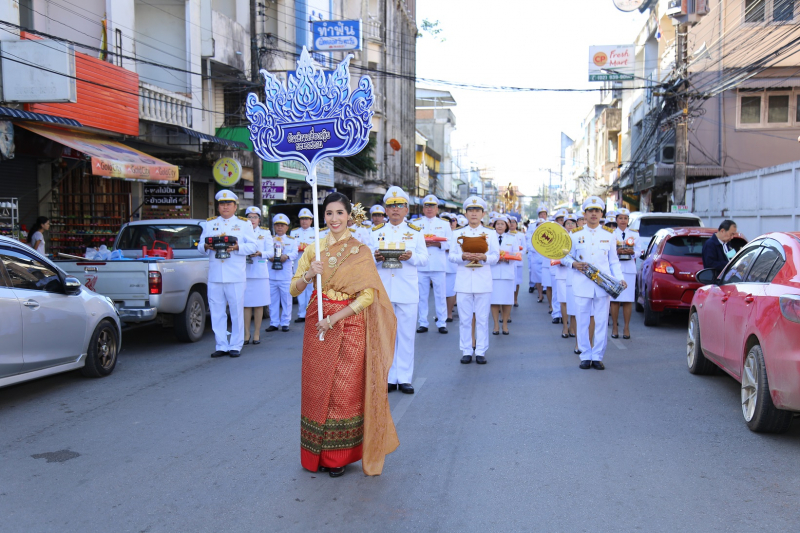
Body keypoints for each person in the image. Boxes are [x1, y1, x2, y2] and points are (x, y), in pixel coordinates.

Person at [290, 192, 398, 478]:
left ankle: (337, 456)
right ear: (322, 216)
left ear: (349, 215)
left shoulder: (360, 251)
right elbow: (293, 289)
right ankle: (315, 454)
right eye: (329, 213)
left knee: (342, 389)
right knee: (316, 387)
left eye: (339, 213)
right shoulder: (314, 249)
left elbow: (367, 297)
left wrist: (335, 318)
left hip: (348, 324)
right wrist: (309, 275)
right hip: (317, 323)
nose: (334, 219)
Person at [370, 186, 428, 394]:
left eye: (399, 206)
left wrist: (410, 256)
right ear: (385, 210)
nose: (395, 210)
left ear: (406, 209)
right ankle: (388, 377)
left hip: (407, 290)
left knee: (406, 336)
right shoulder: (376, 232)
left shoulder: (415, 232)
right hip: (384, 290)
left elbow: (424, 259)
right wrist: (375, 258)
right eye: (391, 206)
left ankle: (404, 378)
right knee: (385, 336)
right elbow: (366, 260)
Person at [562, 196, 626, 370]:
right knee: (582, 321)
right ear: (585, 213)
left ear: (601, 214)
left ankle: (597, 355)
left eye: (597, 211)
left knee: (601, 321)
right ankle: (585, 354)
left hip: (603, 285)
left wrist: (620, 278)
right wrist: (573, 264)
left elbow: (613, 261)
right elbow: (565, 256)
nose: (593, 214)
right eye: (590, 211)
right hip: (582, 283)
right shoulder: (575, 234)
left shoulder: (609, 234)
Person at [198, 190, 258, 358]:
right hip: (216, 275)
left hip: (235, 274)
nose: (225, 207)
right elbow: (200, 246)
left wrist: (238, 247)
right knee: (217, 311)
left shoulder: (244, 224)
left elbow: (253, 246)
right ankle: (221, 344)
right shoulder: (209, 224)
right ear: (218, 206)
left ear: (235, 206)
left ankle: (236, 345)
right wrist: (205, 247)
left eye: (228, 204)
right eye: (222, 204)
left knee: (236, 310)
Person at [449, 195, 499, 365]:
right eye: (471, 210)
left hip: (482, 280)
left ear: (483, 214)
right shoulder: (457, 233)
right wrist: (463, 256)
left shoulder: (490, 234)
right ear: (466, 213)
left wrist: (484, 256)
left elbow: (496, 256)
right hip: (463, 281)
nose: (474, 214)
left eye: (477, 211)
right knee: (464, 318)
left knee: (483, 318)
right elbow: (451, 256)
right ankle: (466, 350)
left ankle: (481, 350)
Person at [416, 194, 453, 334]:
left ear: (437, 208)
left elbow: (450, 243)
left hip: (438, 264)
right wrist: (423, 243)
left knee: (440, 294)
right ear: (423, 208)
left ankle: (442, 322)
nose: (429, 209)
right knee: (422, 295)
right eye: (427, 206)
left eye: (432, 206)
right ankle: (423, 322)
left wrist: (437, 244)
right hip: (422, 264)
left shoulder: (444, 224)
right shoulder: (416, 223)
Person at [242, 206, 274, 345]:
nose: (252, 219)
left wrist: (260, 253)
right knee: (246, 305)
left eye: (255, 217)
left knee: (259, 305)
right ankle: (246, 333)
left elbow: (271, 252)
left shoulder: (265, 233)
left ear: (259, 219)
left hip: (260, 272)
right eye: (249, 217)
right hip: (245, 271)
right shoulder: (241, 232)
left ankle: (256, 334)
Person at [610, 208, 641, 340]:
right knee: (615, 300)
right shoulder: (611, 233)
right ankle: (615, 327)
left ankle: (626, 327)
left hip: (629, 268)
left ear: (628, 221)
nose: (623, 221)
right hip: (615, 270)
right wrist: (617, 252)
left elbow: (640, 251)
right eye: (620, 218)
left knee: (628, 300)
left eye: (625, 218)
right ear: (616, 220)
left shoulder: (634, 234)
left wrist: (631, 252)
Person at [266, 214, 299, 332]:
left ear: (287, 227)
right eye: (277, 226)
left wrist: (287, 256)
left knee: (286, 299)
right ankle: (274, 322)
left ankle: (285, 322)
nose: (280, 228)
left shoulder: (291, 240)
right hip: (272, 274)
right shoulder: (269, 239)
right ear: (274, 227)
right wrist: (269, 256)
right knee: (272, 300)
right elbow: (265, 252)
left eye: (282, 226)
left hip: (285, 275)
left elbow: (295, 253)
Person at [290, 208, 316, 323]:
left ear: (311, 220)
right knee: (300, 288)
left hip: (311, 264)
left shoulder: (316, 231)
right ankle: (301, 314)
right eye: (302, 219)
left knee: (311, 289)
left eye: (307, 219)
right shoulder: (294, 232)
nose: (304, 221)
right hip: (298, 263)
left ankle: (310, 312)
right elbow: (292, 248)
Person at [490, 215, 515, 335]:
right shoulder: (488, 238)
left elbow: (517, 255)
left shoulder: (512, 238)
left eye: (502, 224)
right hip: (493, 273)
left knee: (507, 300)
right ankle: (495, 325)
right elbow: (485, 254)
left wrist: (507, 259)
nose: (499, 226)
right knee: (494, 300)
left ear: (506, 226)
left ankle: (504, 324)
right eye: (497, 224)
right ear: (494, 225)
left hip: (507, 273)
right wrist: (494, 259)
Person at [549, 209, 568, 324]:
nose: (562, 222)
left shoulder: (575, 235)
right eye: (560, 220)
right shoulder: (553, 234)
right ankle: (556, 313)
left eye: (563, 220)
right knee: (557, 292)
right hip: (557, 266)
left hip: (572, 269)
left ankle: (569, 316)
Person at [442, 213, 459, 322]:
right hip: (439, 266)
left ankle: (449, 313)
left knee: (450, 292)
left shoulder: (456, 234)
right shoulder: (437, 234)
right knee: (440, 293)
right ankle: (441, 314)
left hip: (452, 266)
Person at [508, 215, 524, 307]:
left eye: (514, 222)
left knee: (517, 282)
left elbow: (524, 248)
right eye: (510, 222)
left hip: (518, 262)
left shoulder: (521, 235)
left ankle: (515, 299)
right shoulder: (506, 235)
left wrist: (517, 254)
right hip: (508, 261)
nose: (512, 224)